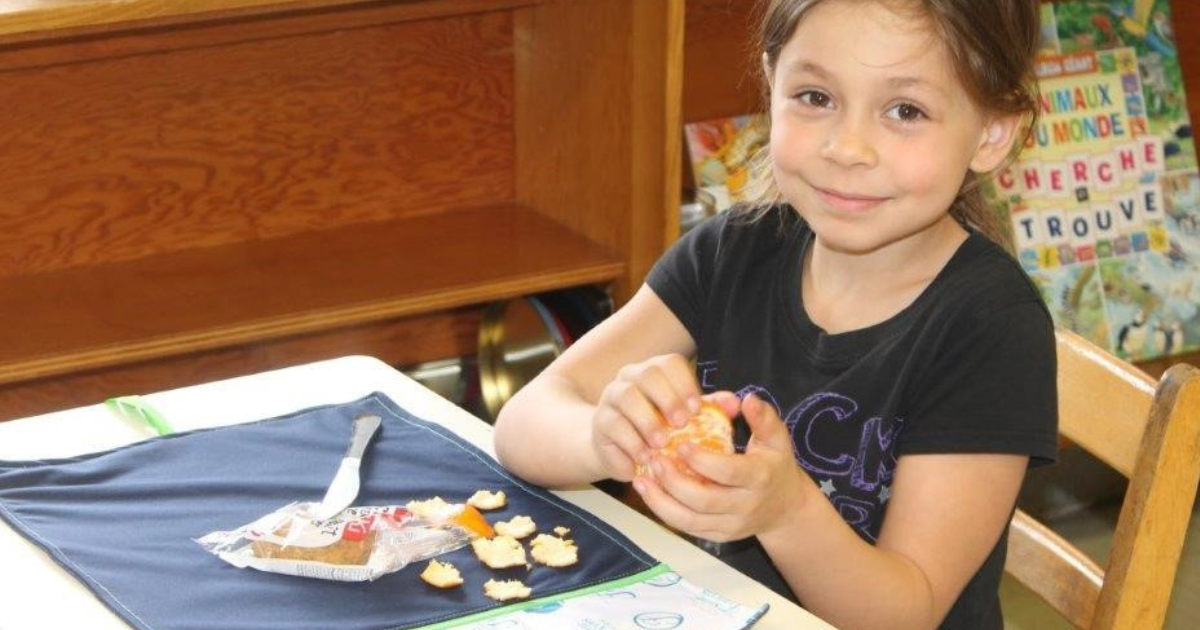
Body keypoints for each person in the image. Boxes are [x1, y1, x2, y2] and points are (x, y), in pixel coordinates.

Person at [493, 1, 1058, 628]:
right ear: (772, 82)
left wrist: (787, 512)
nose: (847, 148)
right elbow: (523, 423)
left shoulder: (990, 328)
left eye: (906, 111)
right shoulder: (736, 250)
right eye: (816, 97)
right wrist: (602, 439)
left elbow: (906, 612)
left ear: (992, 134)